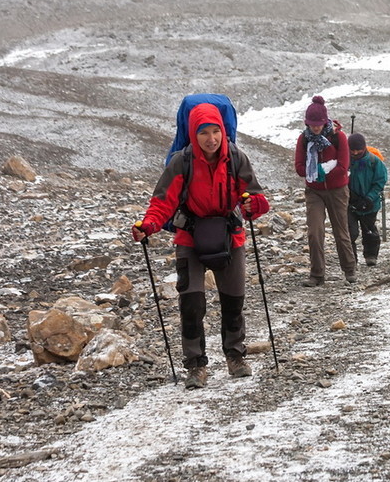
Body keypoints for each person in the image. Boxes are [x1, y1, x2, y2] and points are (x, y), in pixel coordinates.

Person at [131, 102, 270, 389]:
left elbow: (257, 198)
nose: (211, 138)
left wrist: (252, 204)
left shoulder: (236, 159)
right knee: (191, 302)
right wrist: (148, 226)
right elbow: (163, 202)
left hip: (229, 235)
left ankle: (236, 356)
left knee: (233, 300)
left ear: (223, 130)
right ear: (193, 134)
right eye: (204, 132)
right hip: (190, 238)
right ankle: (195, 365)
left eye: (215, 131)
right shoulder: (182, 162)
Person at [294, 95, 357, 286]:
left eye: (318, 123)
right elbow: (298, 167)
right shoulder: (304, 139)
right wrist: (314, 172)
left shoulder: (339, 137)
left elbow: (343, 165)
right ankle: (317, 275)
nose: (315, 127)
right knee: (315, 232)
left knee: (341, 231)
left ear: (325, 121)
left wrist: (323, 172)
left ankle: (349, 270)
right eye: (312, 124)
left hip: (338, 190)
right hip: (314, 191)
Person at [346, 132, 388, 266]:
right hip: (349, 203)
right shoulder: (345, 161)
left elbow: (380, 181)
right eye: (352, 150)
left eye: (358, 149)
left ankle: (371, 256)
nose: (355, 152)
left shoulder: (374, 161)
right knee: (350, 232)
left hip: (370, 203)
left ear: (364, 147)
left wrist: (369, 198)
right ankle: (351, 261)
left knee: (369, 230)